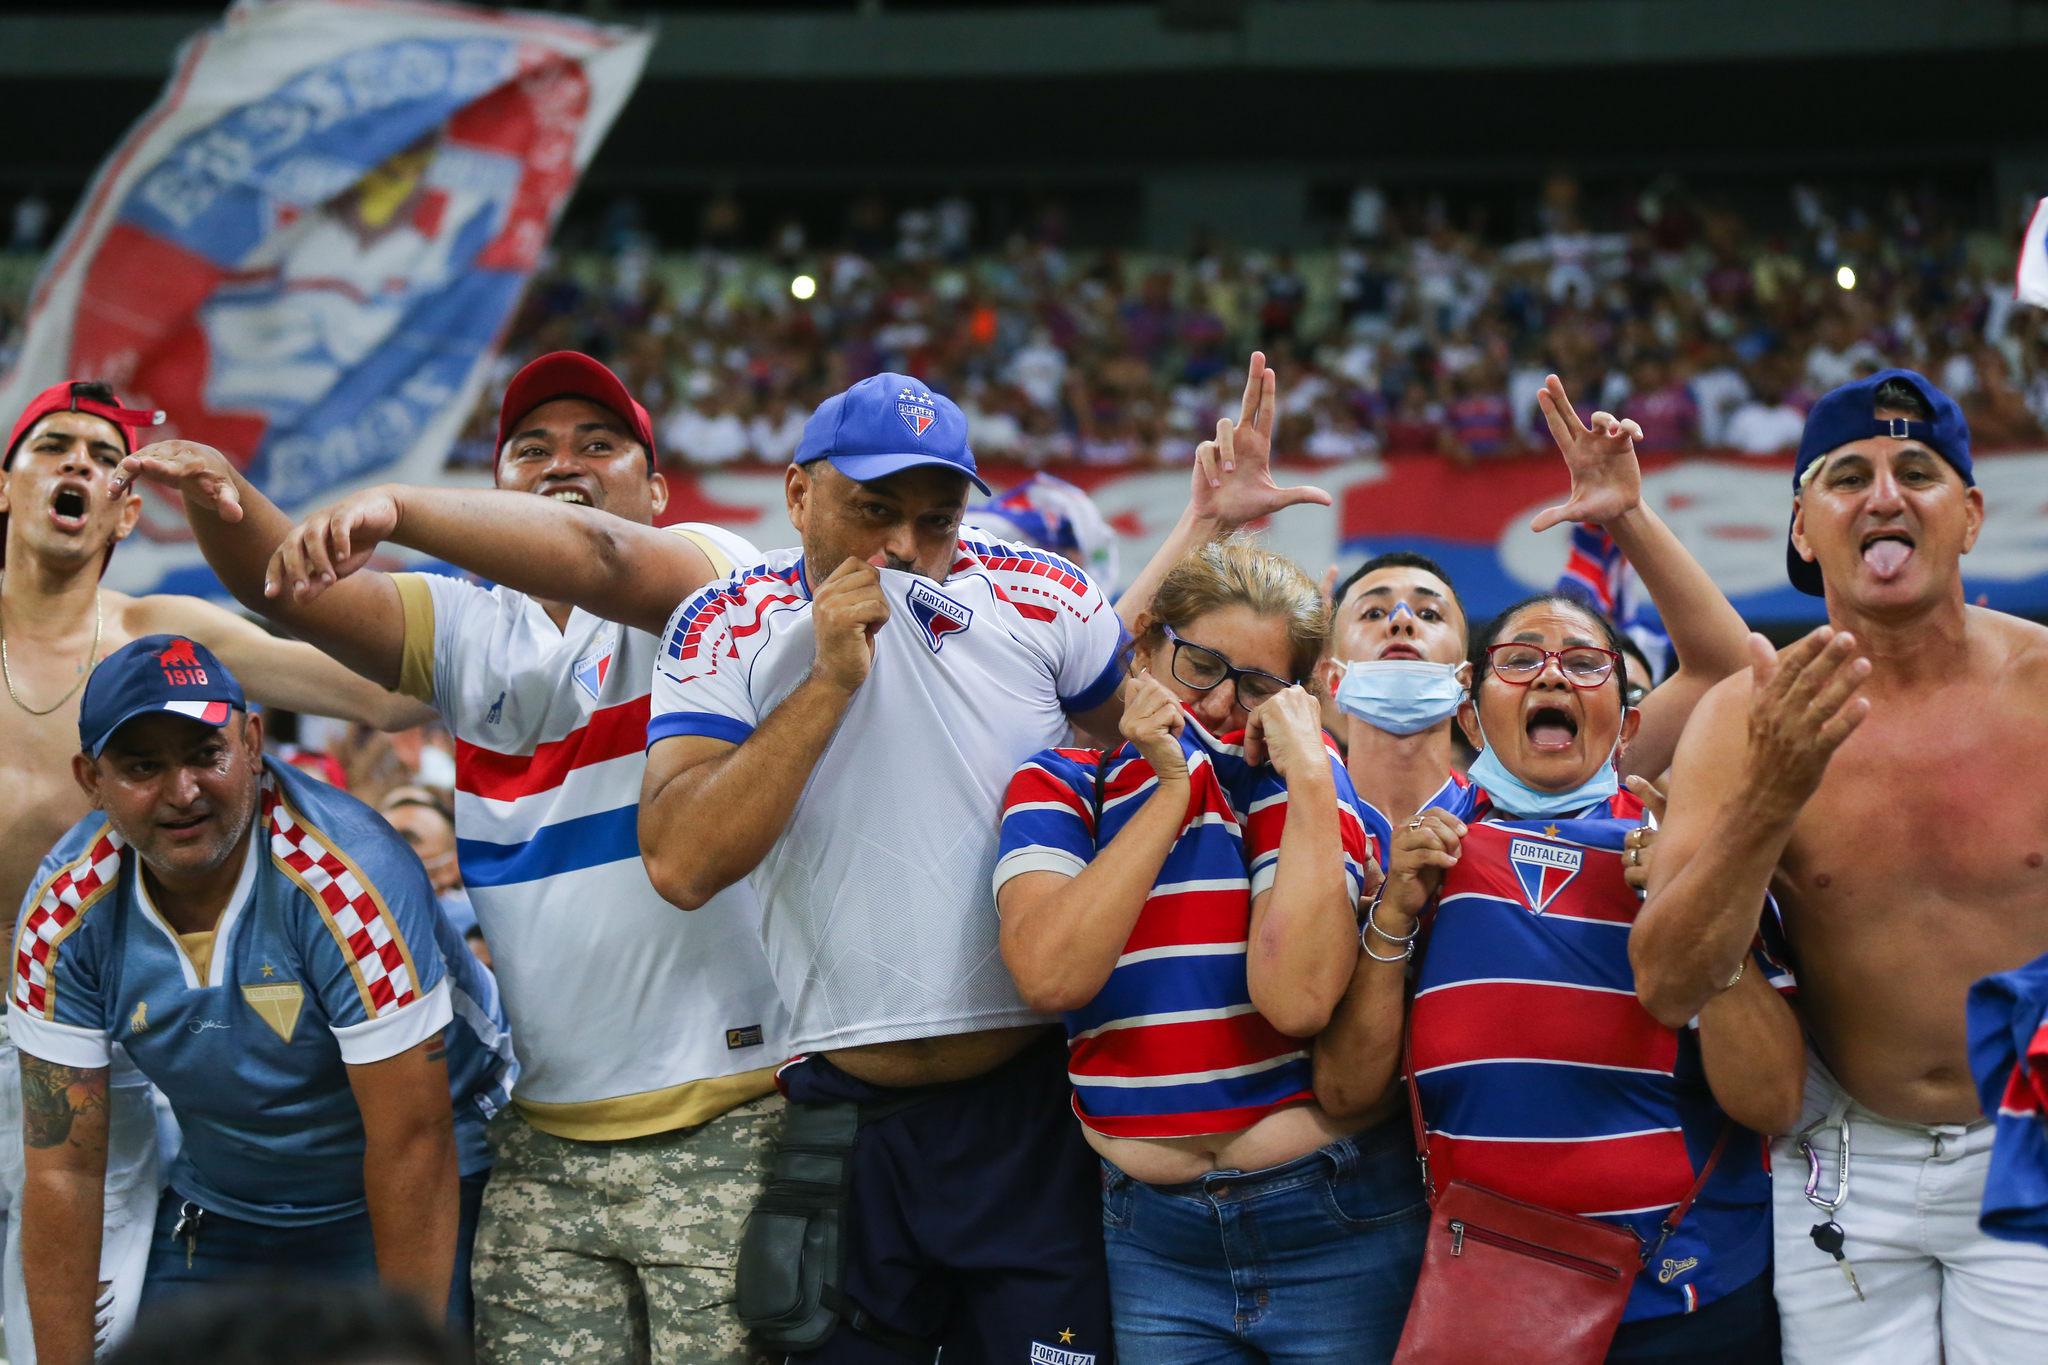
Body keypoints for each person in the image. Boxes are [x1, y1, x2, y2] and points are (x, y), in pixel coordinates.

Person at [113, 352, 787, 1364]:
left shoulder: (709, 576)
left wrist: (395, 504)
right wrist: (227, 500)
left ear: (654, 488)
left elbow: (600, 559)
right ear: (501, 485)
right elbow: (291, 590)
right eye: (531, 449)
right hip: (544, 1140)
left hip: (733, 1127)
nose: (563, 464)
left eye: (598, 445)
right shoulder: (475, 630)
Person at [639, 371, 1129, 1359]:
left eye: (936, 521)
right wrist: (829, 679)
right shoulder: (725, 621)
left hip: (1032, 1107)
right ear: (795, 496)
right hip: (843, 1118)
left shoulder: (1044, 593)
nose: (905, 549)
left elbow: (1161, 753)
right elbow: (682, 862)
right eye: (873, 512)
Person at [0, 379, 435, 1365]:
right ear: (4, 486)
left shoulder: (164, 635)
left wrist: (259, 552)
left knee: (64, 1346)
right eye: (51, 446)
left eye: (102, 457)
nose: (77, 462)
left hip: (104, 1062)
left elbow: (398, 695)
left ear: (125, 506)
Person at [1632, 369, 2048, 1363]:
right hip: (1843, 1157)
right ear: (1800, 528)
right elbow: (1667, 979)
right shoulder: (1743, 718)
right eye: (1846, 476)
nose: (1883, 496)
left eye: (1916, 470)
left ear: (1970, 515)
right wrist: (1771, 794)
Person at [1316, 589, 1803, 1362]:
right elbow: (1346, 1093)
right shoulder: (1421, 866)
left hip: (1690, 1302)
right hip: (1493, 1310)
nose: (1551, 677)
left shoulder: (1696, 855)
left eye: (1583, 662)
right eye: (1519, 660)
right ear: (1471, 718)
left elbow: (1774, 1099)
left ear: (1629, 722)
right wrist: (1393, 915)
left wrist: (1698, 908)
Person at [8, 636, 487, 1365]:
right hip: (226, 1202)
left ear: (254, 741)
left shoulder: (346, 881)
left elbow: (413, 1145)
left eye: (206, 753)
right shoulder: (62, 913)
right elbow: (62, 1170)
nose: (183, 790)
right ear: (90, 778)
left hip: (413, 1181)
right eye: (142, 765)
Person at [995, 539, 1418, 1361]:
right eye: (1200, 666)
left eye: (1259, 684)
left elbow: (1294, 998)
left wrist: (1307, 776)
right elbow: (1050, 974)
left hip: (1333, 1219)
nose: (1224, 704)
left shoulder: (1299, 783)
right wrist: (1169, 795)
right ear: (1146, 643)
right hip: (1155, 1240)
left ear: (1297, 695)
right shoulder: (1057, 784)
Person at [1321, 375, 1750, 826]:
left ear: (1466, 683)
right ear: (1328, 674)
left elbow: (1724, 667)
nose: (1402, 623)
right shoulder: (1286, 798)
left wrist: (1628, 516)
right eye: (1373, 612)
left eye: (1430, 613)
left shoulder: (1549, 782)